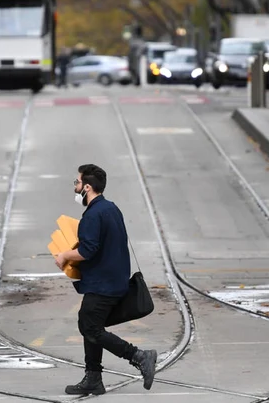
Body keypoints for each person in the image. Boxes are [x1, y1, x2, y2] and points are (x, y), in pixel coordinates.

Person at [55, 164, 157, 396]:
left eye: (78, 183)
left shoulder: (93, 214)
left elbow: (88, 250)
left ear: (87, 187)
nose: (75, 186)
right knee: (90, 325)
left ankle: (140, 356)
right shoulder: (111, 209)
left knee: (90, 326)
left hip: (102, 283)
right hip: (114, 279)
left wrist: (64, 255)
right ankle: (93, 378)